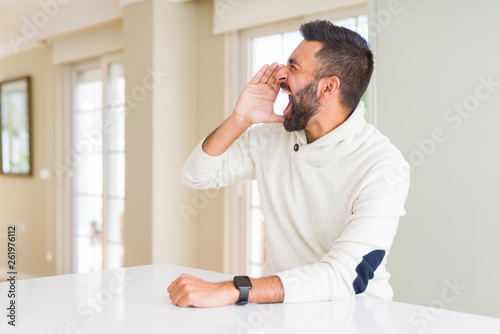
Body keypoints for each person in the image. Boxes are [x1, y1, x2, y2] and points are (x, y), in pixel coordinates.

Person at [167, 19, 410, 308]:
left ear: (328, 87)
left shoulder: (383, 165)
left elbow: (348, 275)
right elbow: (196, 176)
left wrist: (236, 289)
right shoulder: (273, 138)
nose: (280, 74)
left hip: (357, 317)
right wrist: (240, 120)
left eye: (293, 67)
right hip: (280, 312)